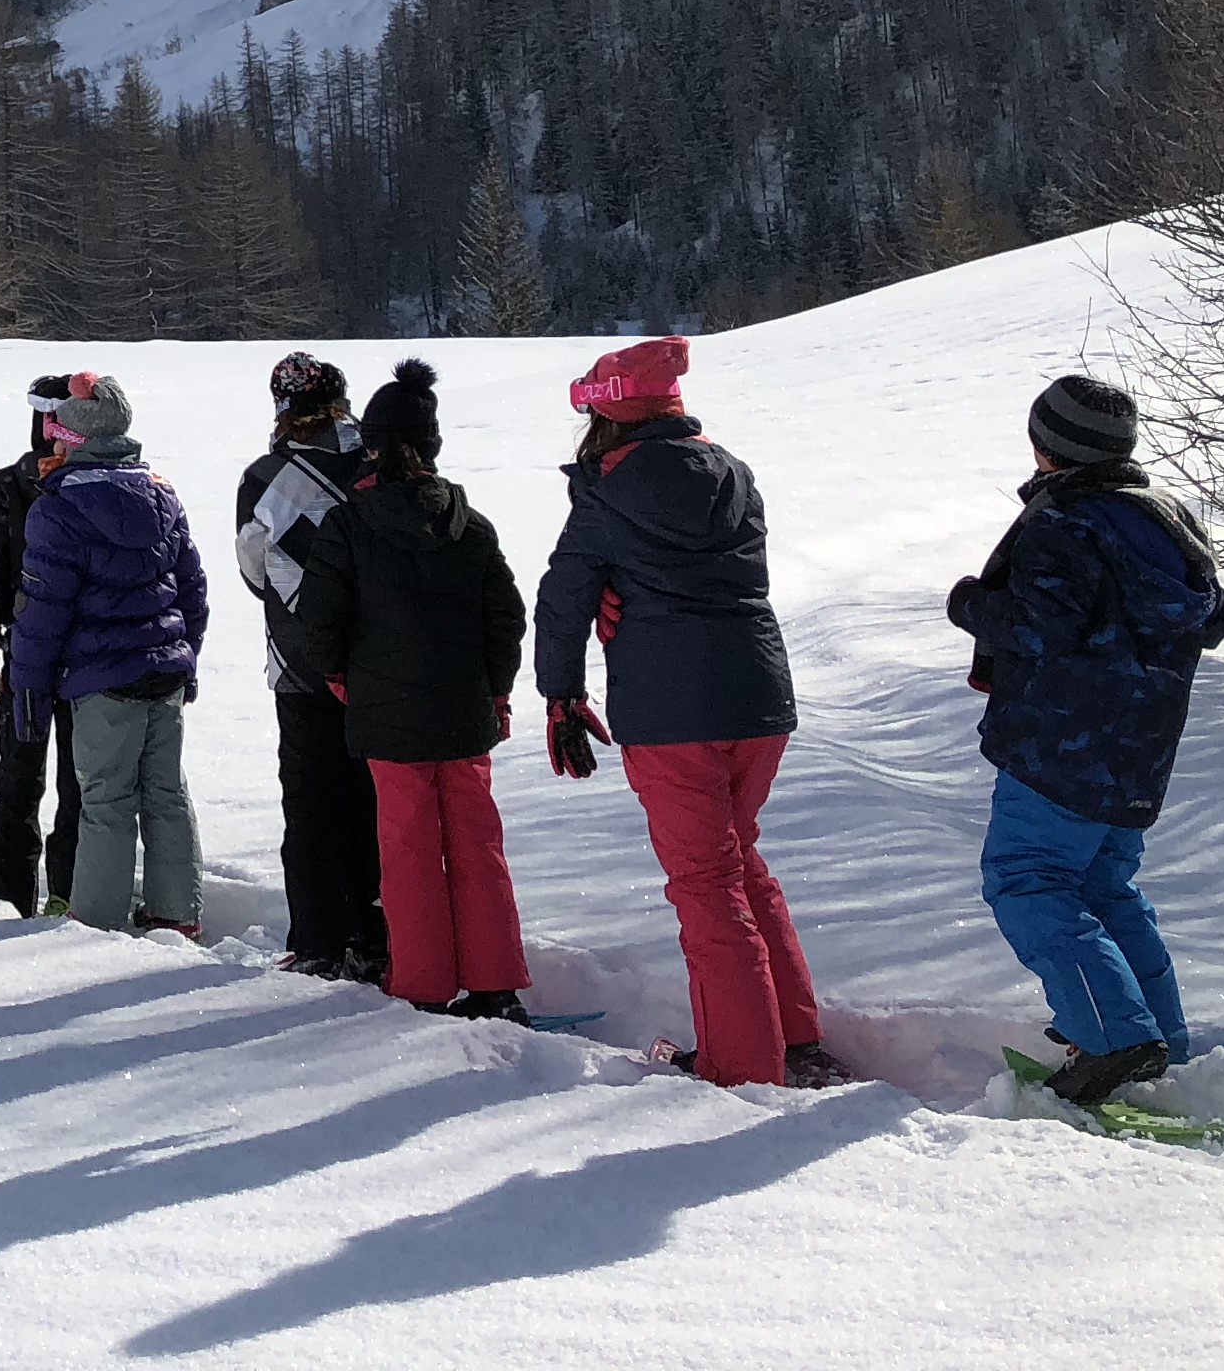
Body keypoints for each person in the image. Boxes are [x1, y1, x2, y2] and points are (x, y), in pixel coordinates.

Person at [534, 336, 843, 1089]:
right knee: (741, 863)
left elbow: (565, 596)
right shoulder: (734, 474)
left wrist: (561, 693)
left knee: (706, 885)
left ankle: (743, 1066)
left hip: (673, 709)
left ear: (608, 416)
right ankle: (793, 1036)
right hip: (760, 697)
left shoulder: (607, 490)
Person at [945, 373, 1224, 1105]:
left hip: (1060, 745)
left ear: (1048, 448)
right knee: (1104, 885)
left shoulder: (1065, 523)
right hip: (1141, 746)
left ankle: (1112, 1037)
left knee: (1028, 879)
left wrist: (973, 604)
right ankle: (1158, 1037)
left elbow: (1044, 627)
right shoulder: (1167, 517)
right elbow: (1212, 618)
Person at [279, 362, 527, 1018]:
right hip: (466, 712)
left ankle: (421, 983)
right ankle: (496, 985)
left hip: (388, 718)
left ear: (373, 446)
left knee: (410, 852)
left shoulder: (348, 526)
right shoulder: (469, 525)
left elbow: (319, 623)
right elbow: (505, 617)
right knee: (479, 848)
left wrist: (342, 682)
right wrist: (496, 690)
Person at [5, 371, 209, 934]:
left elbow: (41, 613)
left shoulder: (58, 508)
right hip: (163, 672)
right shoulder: (161, 493)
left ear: (73, 439)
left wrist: (27, 687)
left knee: (105, 801)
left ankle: (96, 923)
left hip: (101, 680)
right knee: (166, 792)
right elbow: (193, 589)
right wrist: (183, 654)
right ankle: (177, 912)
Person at [237, 351, 388, 980]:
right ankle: (384, 935)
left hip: (300, 667)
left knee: (311, 804)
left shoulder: (266, 475)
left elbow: (251, 566)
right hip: (381, 662)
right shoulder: (381, 460)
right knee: (377, 801)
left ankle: (321, 941)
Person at [0, 373, 84, 916]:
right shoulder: (95, 478)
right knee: (65, 778)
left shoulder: (12, 483)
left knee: (31, 774)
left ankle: (17, 895)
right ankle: (60, 892)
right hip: (78, 656)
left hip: (42, 655)